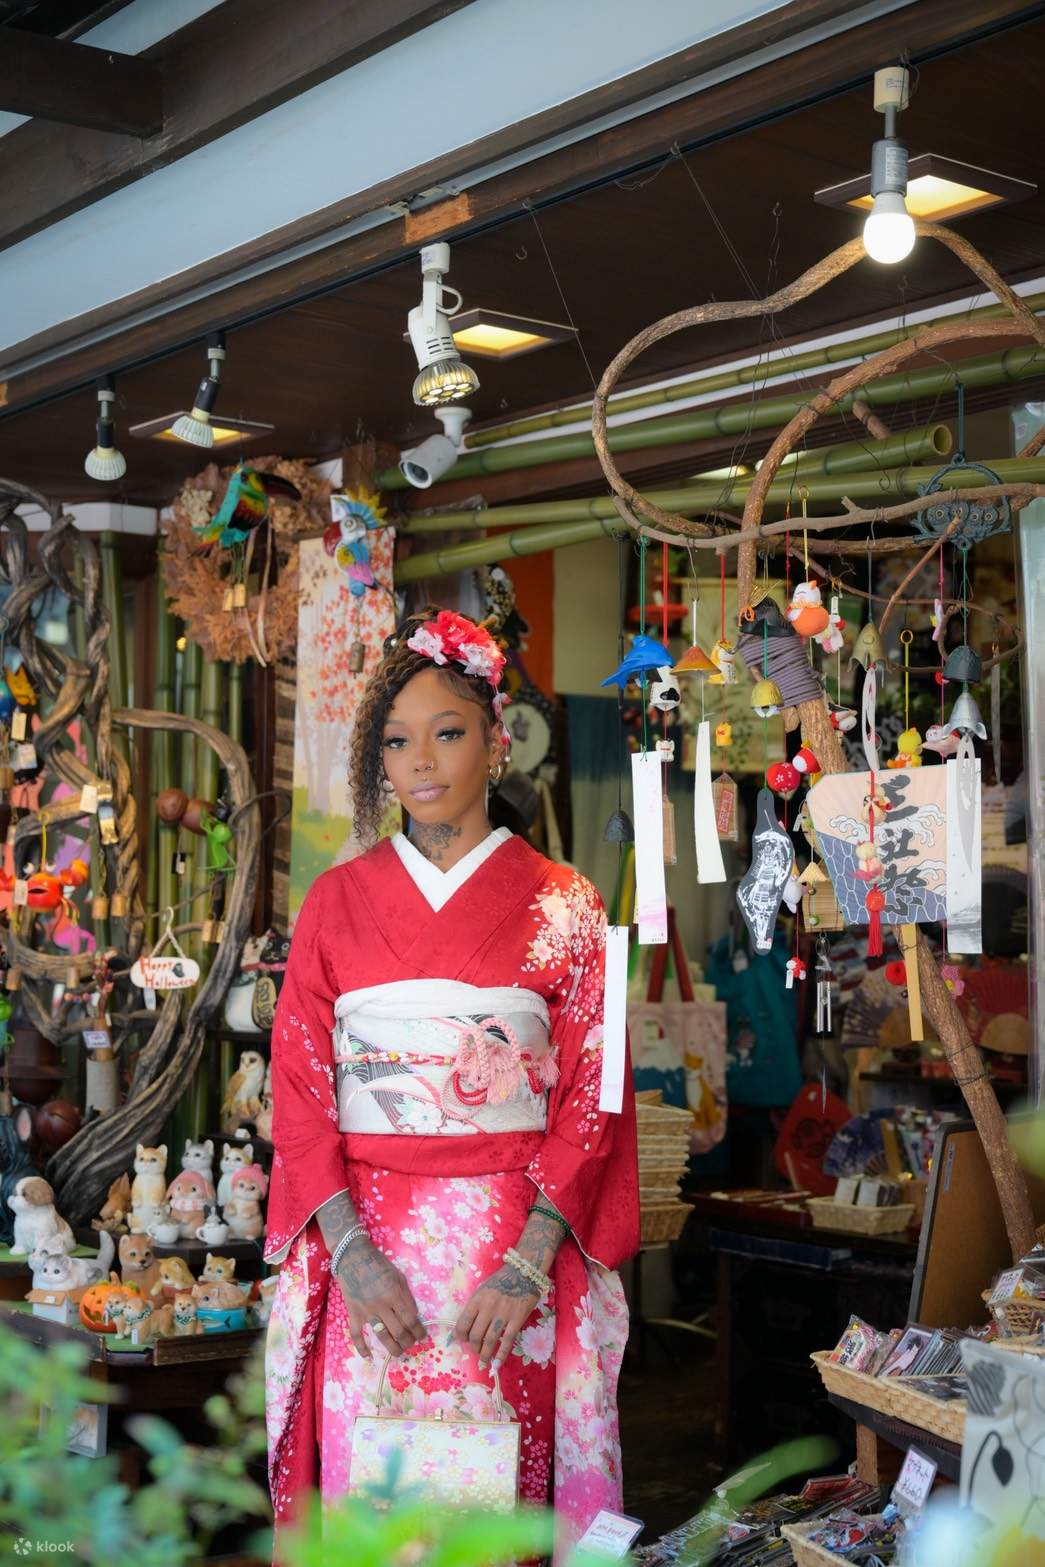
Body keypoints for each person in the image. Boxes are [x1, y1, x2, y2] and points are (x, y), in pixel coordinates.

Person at [264, 606, 639, 1550]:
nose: (421, 762)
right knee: (372, 1502)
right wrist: (350, 1256)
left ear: (496, 740)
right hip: (367, 1253)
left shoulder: (568, 903)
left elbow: (595, 1088)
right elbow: (300, 1086)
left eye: (447, 733)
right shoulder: (334, 900)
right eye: (397, 742)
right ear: (377, 762)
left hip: (510, 1257)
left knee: (495, 1502)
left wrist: (528, 1261)